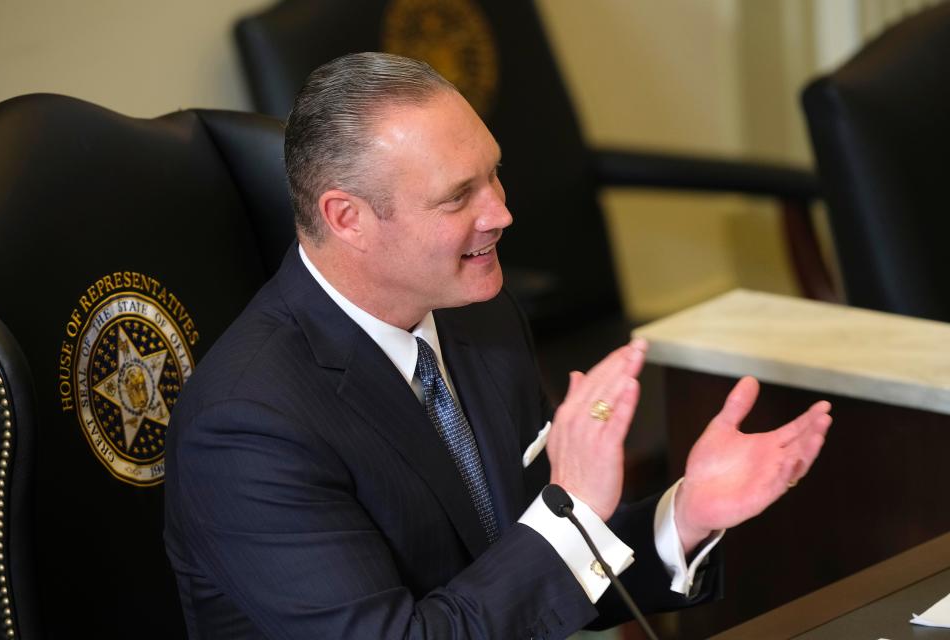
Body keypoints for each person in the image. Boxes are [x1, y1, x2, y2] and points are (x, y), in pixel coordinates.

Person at [163, 52, 832, 639]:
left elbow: (530, 578)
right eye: (459, 197)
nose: (502, 213)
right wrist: (570, 515)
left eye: (494, 175)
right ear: (348, 218)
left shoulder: (477, 315)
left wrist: (685, 514)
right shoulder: (248, 425)